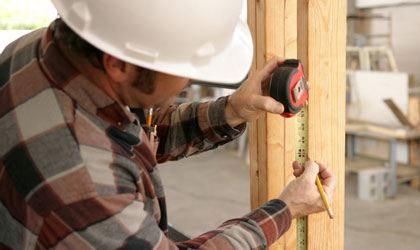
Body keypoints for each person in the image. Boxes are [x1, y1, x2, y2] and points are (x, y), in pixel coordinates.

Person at [0, 1, 336, 249]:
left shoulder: (36, 50)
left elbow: (134, 134)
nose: (190, 80)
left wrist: (231, 110)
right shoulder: (82, 180)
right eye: (186, 65)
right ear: (118, 64)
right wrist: (287, 208)